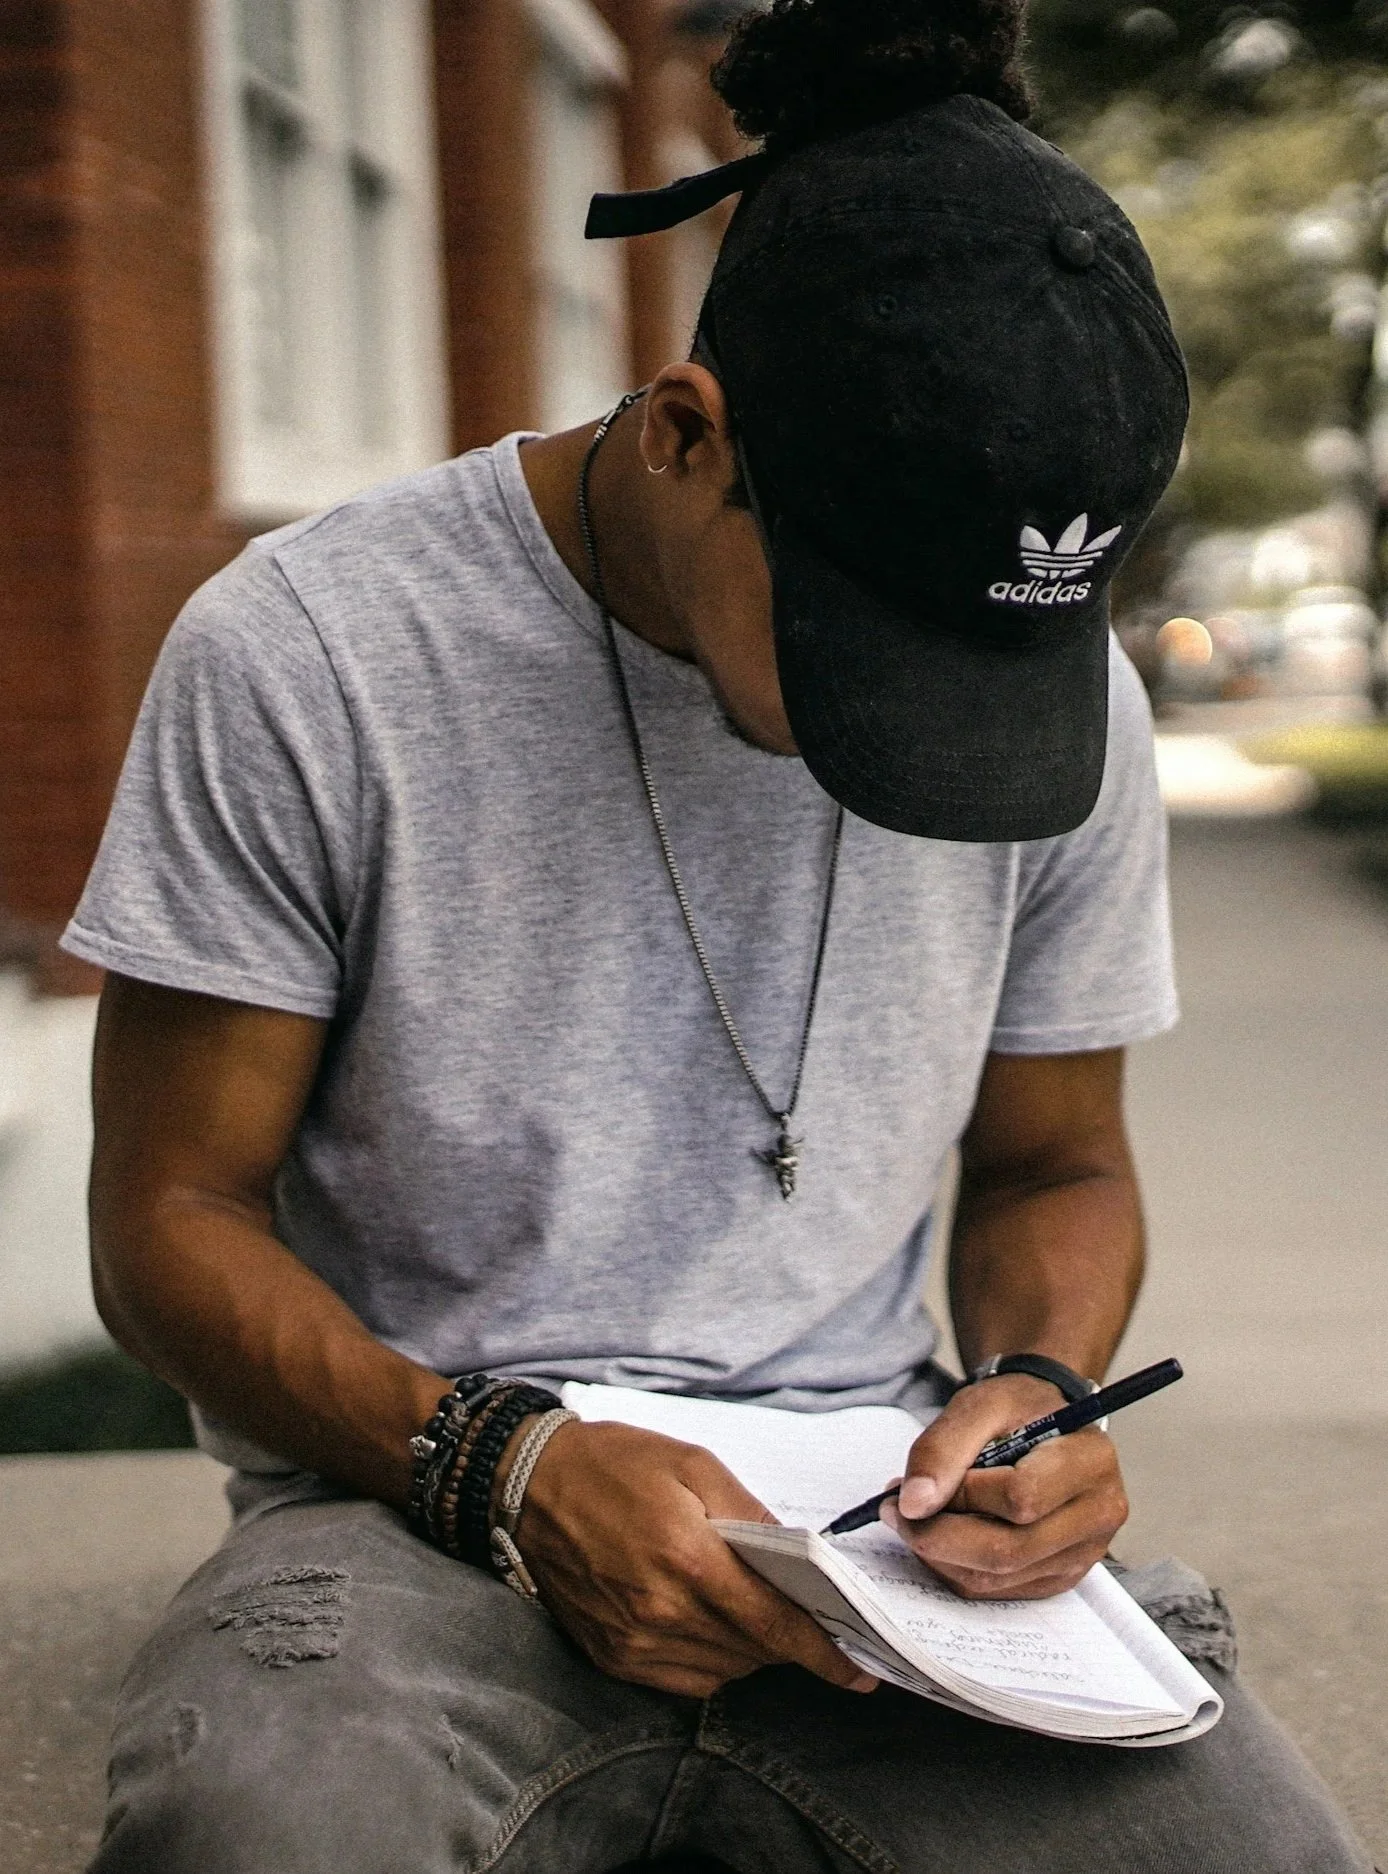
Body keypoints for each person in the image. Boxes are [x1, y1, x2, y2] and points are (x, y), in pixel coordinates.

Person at [64, 3, 1372, 1869]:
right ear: (690, 435)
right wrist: (501, 1461)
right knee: (270, 1831)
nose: (928, 728)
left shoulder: (1074, 705)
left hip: (881, 1541)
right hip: (413, 1503)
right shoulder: (314, 652)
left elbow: (1057, 1160)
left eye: (984, 661)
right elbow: (168, 1218)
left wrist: (1034, 1391)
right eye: (869, 649)